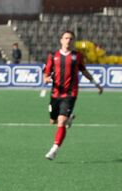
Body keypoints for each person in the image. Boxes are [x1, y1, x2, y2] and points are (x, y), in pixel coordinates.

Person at [43, 30, 103, 161]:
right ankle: (69, 117)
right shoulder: (53, 56)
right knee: (53, 120)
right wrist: (46, 79)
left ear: (73, 41)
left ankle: (54, 149)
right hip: (55, 93)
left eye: (71, 39)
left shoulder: (77, 56)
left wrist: (96, 84)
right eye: (66, 38)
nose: (68, 41)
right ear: (61, 40)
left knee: (61, 121)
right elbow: (46, 74)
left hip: (70, 93)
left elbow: (84, 71)